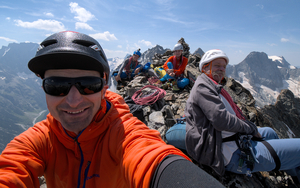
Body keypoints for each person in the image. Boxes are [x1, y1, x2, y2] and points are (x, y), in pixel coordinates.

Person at [0, 31, 224, 188]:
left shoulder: (123, 132)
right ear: (43, 86)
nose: (74, 100)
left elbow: (150, 156)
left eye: (89, 85)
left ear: (104, 86)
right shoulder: (37, 141)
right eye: (57, 86)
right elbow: (11, 170)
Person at [182, 49, 300, 180]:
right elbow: (221, 120)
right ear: (204, 67)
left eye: (224, 66)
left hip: (230, 140)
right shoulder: (203, 87)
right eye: (217, 65)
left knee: (270, 132)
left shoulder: (211, 85)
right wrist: (250, 128)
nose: (221, 69)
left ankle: (293, 173)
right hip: (230, 154)